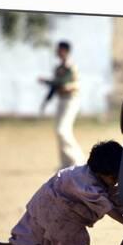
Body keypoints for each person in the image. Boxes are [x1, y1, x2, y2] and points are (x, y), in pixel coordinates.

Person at [38, 40, 85, 168]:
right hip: (61, 101)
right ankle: (66, 163)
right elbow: (55, 84)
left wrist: (66, 87)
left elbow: (76, 84)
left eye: (59, 49)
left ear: (65, 51)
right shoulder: (59, 69)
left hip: (71, 100)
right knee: (60, 131)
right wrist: (47, 83)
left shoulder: (71, 67)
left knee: (62, 130)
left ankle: (77, 160)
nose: (57, 52)